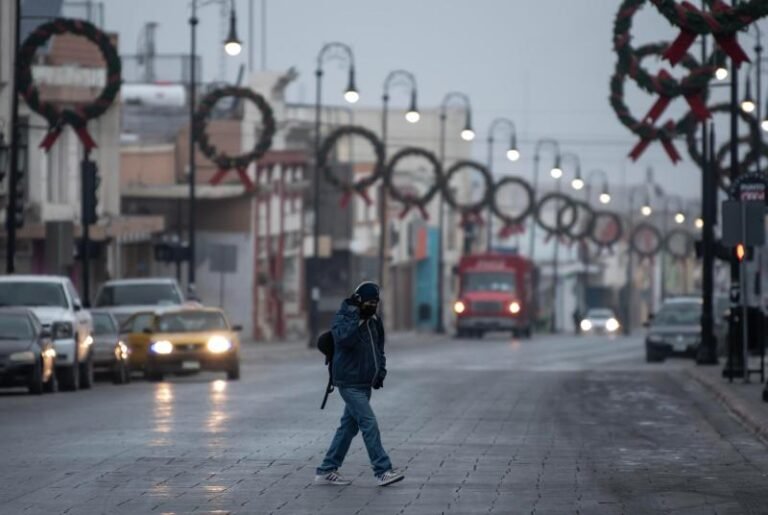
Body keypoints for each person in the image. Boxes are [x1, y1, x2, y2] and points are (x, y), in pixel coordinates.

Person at [315, 281, 404, 487]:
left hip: (364, 383)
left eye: (376, 302)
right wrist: (355, 313)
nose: (372, 306)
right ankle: (382, 470)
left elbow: (379, 350)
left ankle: (327, 469)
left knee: (348, 427)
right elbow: (344, 339)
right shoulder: (344, 318)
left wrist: (380, 371)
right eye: (369, 302)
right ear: (357, 300)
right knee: (368, 423)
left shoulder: (374, 321)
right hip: (348, 382)